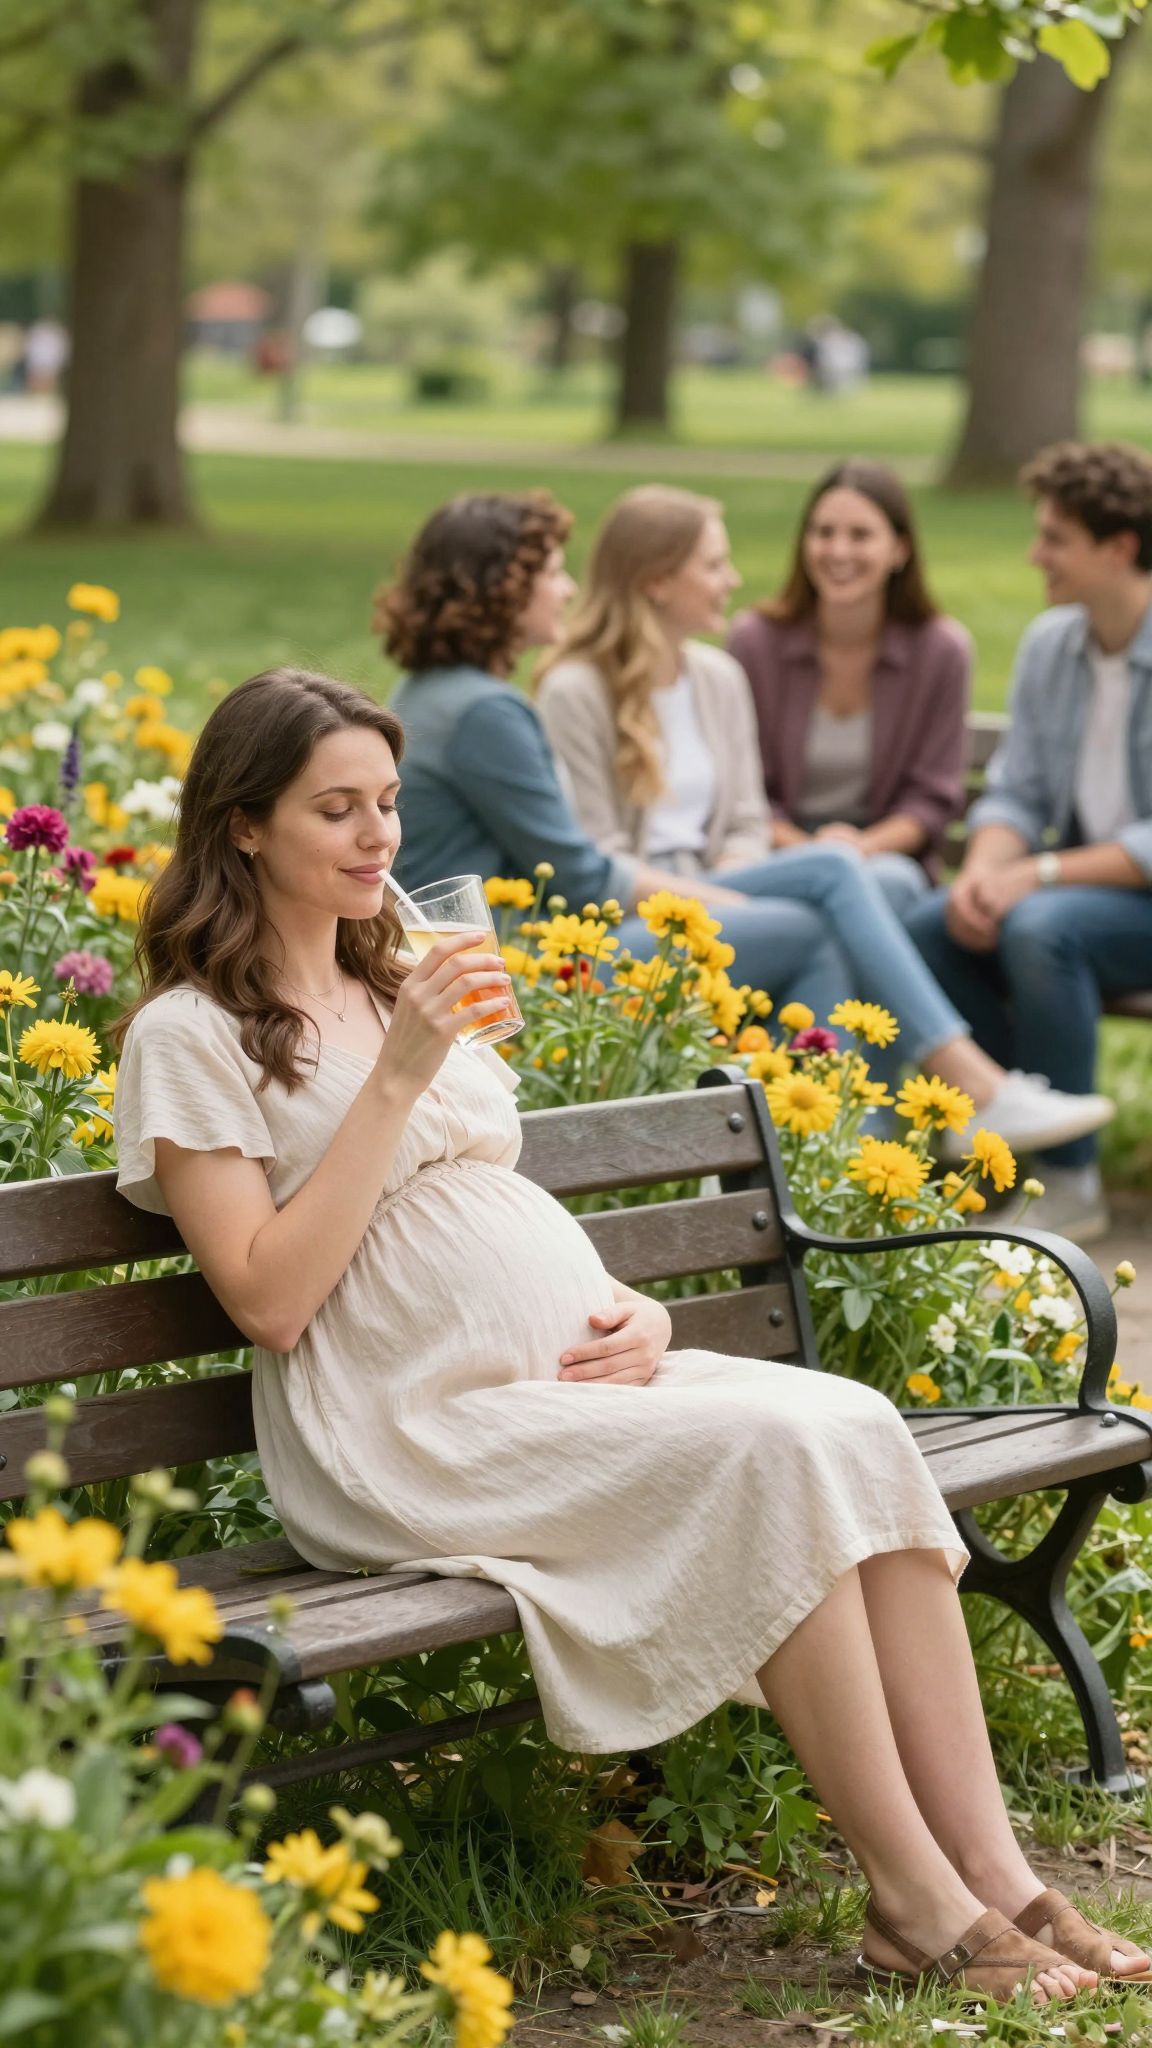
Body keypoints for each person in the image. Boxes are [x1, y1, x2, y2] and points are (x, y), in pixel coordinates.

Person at [112, 666, 1146, 2001]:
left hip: (554, 1379)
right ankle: (913, 1902)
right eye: (336, 810)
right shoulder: (191, 1037)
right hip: (405, 1424)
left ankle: (1003, 1883)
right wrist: (402, 1073)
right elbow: (269, 1296)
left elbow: (491, 1202)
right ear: (243, 826)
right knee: (770, 1451)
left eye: (386, 804)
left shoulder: (398, 980)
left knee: (851, 1424)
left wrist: (631, 1306)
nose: (378, 837)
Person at [523, 482, 1109, 1152]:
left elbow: (745, 818)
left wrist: (736, 888)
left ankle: (835, 1150)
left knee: (825, 914)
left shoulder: (715, 677)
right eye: (714, 565)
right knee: (829, 881)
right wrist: (721, 899)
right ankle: (935, 1105)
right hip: (634, 925)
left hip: (722, 899)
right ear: (658, 580)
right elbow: (596, 857)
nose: (733, 579)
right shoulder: (576, 690)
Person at [907, 443, 1152, 1243]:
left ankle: (1070, 1178)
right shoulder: (1055, 645)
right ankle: (1010, 1126)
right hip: (1084, 902)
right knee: (931, 924)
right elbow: (1017, 788)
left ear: (1118, 548)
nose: (1034, 554)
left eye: (1054, 538)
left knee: (1045, 929)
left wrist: (1036, 876)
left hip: (1106, 909)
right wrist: (983, 873)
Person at [726, 461, 970, 922]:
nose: (838, 551)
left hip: (882, 857)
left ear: (899, 549)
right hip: (775, 850)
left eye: (860, 535)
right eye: (823, 532)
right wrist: (811, 852)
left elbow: (932, 797)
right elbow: (742, 787)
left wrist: (858, 849)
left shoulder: (941, 650)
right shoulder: (755, 642)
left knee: (886, 886)